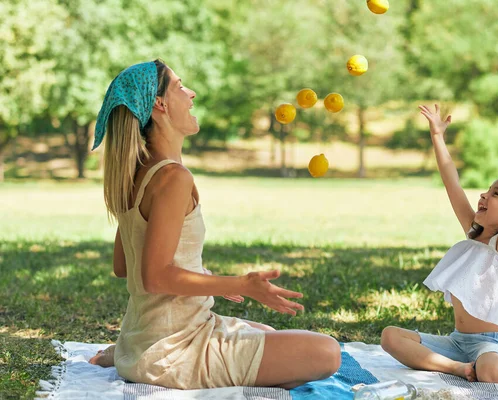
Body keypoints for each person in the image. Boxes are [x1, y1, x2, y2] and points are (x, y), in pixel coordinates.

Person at [88, 59, 341, 390]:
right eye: (180, 87)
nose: (191, 94)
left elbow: (125, 266)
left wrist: (208, 280)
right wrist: (238, 284)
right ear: (160, 104)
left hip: (150, 335)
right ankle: (140, 359)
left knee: (268, 334)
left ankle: (129, 354)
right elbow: (154, 277)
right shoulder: (172, 178)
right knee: (326, 353)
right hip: (175, 349)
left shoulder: (137, 174)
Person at [380, 104, 498, 385]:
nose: (484, 195)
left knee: (491, 373)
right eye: (487, 190)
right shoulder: (472, 233)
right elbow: (451, 183)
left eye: (494, 193)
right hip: (457, 344)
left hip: (491, 346)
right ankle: (456, 369)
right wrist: (437, 136)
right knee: (390, 336)